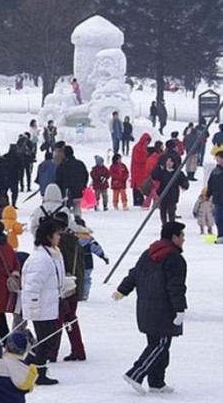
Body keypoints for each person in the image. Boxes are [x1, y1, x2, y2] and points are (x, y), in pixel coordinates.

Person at [114, 221, 187, 395]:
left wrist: (122, 290)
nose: (184, 239)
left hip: (146, 306)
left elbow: (135, 273)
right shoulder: (175, 258)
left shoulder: (149, 253)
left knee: (158, 344)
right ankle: (135, 374)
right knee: (160, 345)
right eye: (182, 235)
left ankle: (157, 382)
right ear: (174, 237)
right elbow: (176, 286)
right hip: (164, 308)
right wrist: (180, 309)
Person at [21, 218, 65, 385]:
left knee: (49, 339)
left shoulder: (53, 254)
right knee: (46, 340)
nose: (59, 237)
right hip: (40, 307)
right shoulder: (40, 259)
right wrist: (33, 306)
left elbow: (53, 277)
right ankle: (38, 372)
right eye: (56, 234)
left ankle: (30, 366)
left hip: (49, 305)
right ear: (48, 237)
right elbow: (32, 285)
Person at [50, 212, 86, 363]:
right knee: (70, 318)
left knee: (58, 319)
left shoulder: (59, 244)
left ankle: (52, 352)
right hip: (76, 284)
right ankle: (78, 349)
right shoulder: (75, 241)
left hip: (64, 285)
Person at [74, 217, 109, 301]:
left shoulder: (72, 238)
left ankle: (76, 293)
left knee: (76, 278)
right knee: (86, 279)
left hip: (75, 262)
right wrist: (103, 256)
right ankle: (85, 294)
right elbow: (96, 248)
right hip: (88, 262)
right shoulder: (89, 239)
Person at [151, 156, 189, 224]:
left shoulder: (177, 172)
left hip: (173, 195)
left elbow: (184, 180)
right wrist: (158, 168)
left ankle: (171, 225)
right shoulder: (162, 171)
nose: (168, 163)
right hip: (163, 194)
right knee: (163, 211)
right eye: (167, 161)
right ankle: (164, 224)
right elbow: (154, 176)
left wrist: (185, 185)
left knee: (171, 212)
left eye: (170, 161)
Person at [55, 145, 89, 216]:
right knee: (77, 206)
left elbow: (58, 179)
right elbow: (85, 176)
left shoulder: (62, 165)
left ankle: (66, 222)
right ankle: (78, 220)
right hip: (78, 190)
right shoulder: (80, 164)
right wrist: (83, 186)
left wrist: (60, 190)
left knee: (65, 209)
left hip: (66, 192)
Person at [131, 133, 152, 206]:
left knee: (141, 185)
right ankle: (137, 201)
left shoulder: (143, 147)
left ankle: (140, 200)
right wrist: (146, 158)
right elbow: (137, 159)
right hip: (137, 169)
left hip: (142, 170)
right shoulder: (138, 148)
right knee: (137, 185)